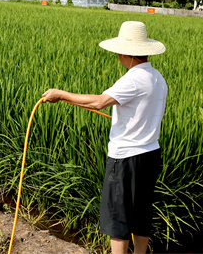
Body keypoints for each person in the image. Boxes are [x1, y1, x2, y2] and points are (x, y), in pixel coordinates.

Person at [42, 21, 167, 254]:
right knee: (141, 212)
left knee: (118, 217)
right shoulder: (158, 77)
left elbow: (100, 101)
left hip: (126, 157)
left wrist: (60, 94)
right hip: (150, 154)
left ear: (124, 53)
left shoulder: (133, 78)